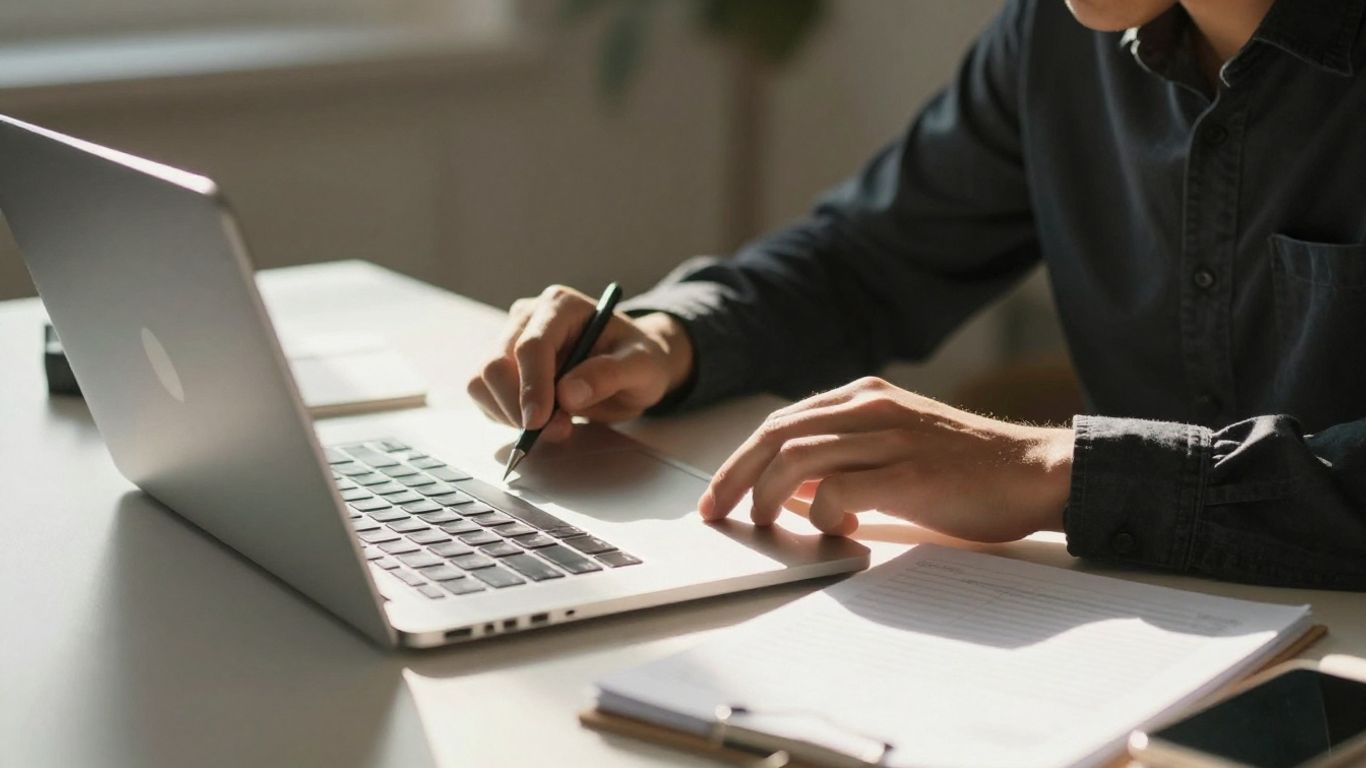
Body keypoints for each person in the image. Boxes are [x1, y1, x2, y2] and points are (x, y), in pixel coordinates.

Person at [468, 0, 1366, 588]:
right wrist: (671, 337)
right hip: (1156, 642)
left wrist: (1054, 470)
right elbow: (867, 259)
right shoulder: (1056, 39)